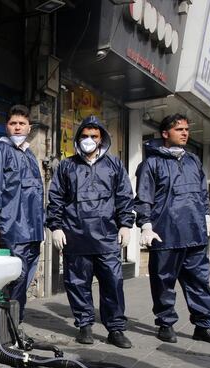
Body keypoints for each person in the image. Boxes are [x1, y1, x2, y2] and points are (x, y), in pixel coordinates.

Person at [134, 113, 210, 345]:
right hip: (166, 233)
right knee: (163, 281)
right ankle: (166, 324)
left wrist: (206, 219)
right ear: (165, 134)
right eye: (179, 129)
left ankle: (203, 326)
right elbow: (144, 197)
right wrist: (145, 225)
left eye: (187, 129)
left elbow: (201, 194)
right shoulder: (151, 163)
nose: (185, 133)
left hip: (194, 232)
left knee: (199, 282)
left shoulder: (193, 161)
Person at [47, 116, 134, 348]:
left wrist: (126, 224)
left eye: (94, 136)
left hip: (106, 235)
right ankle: (84, 325)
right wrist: (55, 226)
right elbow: (55, 198)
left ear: (102, 138)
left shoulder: (114, 165)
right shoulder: (67, 166)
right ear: (78, 139)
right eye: (84, 136)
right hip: (75, 234)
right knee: (77, 282)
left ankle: (115, 329)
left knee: (113, 283)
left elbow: (124, 196)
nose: (89, 140)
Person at [0, 105, 44, 329]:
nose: (17, 127)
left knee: (23, 282)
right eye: (13, 123)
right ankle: (0, 329)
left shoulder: (29, 155)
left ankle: (14, 326)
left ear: (29, 127)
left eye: (22, 123)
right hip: (12, 229)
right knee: (14, 280)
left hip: (33, 232)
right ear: (6, 126)